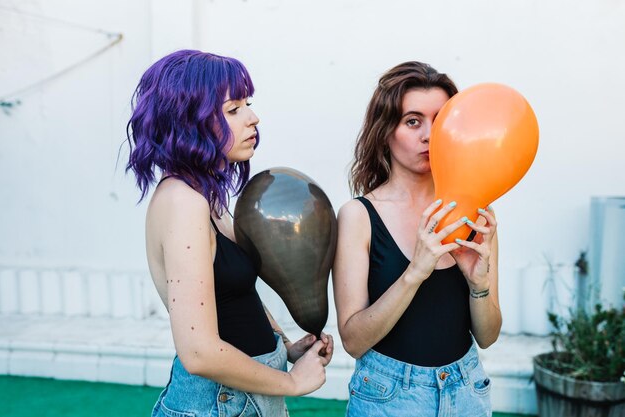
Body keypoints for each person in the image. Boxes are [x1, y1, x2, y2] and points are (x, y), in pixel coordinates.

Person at [126, 50, 333, 417]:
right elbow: (199, 352)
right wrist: (292, 382)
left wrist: (285, 348)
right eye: (233, 109)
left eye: (247, 104)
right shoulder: (183, 202)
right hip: (218, 402)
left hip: (243, 395)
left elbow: (233, 296)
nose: (253, 118)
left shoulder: (207, 198)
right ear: (189, 120)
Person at [332, 61, 501, 417]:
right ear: (385, 131)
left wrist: (479, 285)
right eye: (413, 121)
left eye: (441, 121)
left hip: (467, 389)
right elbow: (353, 340)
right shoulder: (359, 216)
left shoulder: (475, 209)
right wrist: (415, 271)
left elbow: (487, 336)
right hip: (389, 395)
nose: (429, 135)